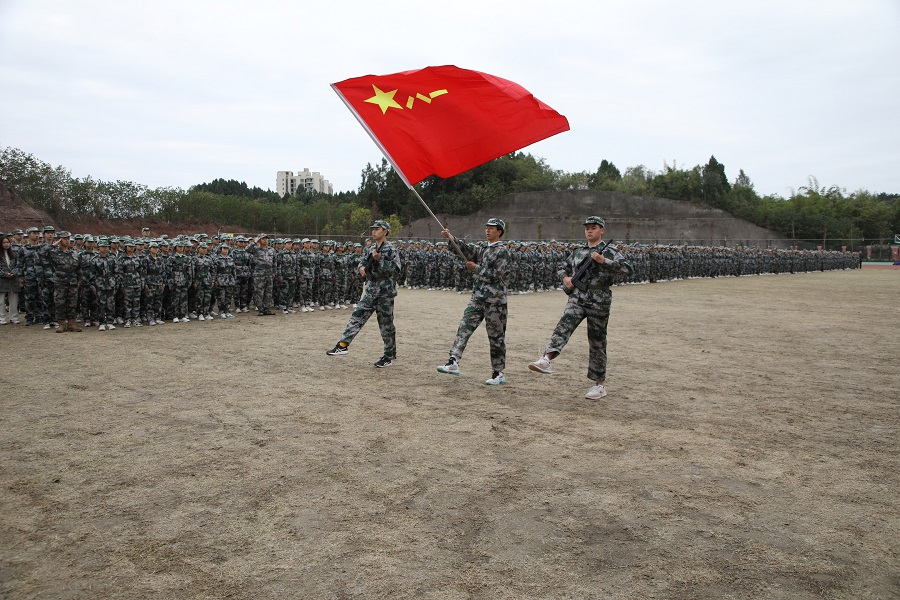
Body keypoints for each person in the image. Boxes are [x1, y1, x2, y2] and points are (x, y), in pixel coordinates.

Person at [527, 216, 632, 400]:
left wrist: (603, 261)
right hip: (577, 297)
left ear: (602, 230)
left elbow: (627, 270)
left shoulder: (611, 251)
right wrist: (566, 278)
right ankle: (547, 359)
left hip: (599, 299)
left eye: (593, 228)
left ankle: (599, 385)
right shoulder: (578, 251)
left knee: (597, 341)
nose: (589, 231)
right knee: (563, 326)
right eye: (587, 228)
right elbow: (562, 268)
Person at [436, 218, 510, 385]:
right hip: (478, 297)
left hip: (495, 301)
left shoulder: (502, 251)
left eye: (492, 228)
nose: (488, 230)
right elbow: (467, 250)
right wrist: (452, 238)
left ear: (499, 231)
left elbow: (496, 274)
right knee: (464, 328)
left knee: (496, 337)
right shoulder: (482, 248)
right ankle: (453, 361)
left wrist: (475, 268)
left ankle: (498, 372)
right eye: (487, 227)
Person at [326, 220, 400, 368]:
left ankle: (388, 355)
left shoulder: (391, 250)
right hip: (371, 290)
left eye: (377, 229)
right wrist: (361, 269)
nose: (373, 232)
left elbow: (395, 270)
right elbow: (362, 263)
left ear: (385, 232)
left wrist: (380, 261)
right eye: (372, 229)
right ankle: (343, 345)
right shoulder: (371, 248)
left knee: (386, 325)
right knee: (357, 316)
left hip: (385, 293)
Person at [1, 235, 21, 325]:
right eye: (4, 242)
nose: (6, 244)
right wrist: (4, 274)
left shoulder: (13, 254)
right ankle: (2, 318)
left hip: (13, 279)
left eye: (8, 242)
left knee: (14, 300)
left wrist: (13, 273)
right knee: (1, 301)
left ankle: (14, 317)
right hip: (2, 279)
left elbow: (18, 265)